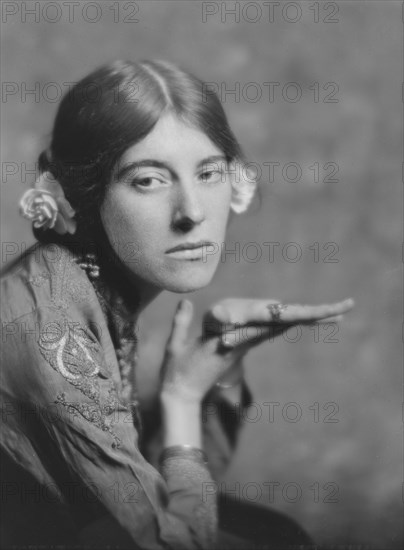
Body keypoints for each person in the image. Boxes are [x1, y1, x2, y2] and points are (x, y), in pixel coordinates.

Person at [0, 59, 354, 549]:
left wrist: (220, 370)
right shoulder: (47, 325)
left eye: (208, 172)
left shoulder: (91, 283)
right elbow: (174, 542)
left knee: (275, 534)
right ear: (83, 194)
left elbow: (160, 486)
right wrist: (183, 401)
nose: (192, 212)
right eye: (149, 180)